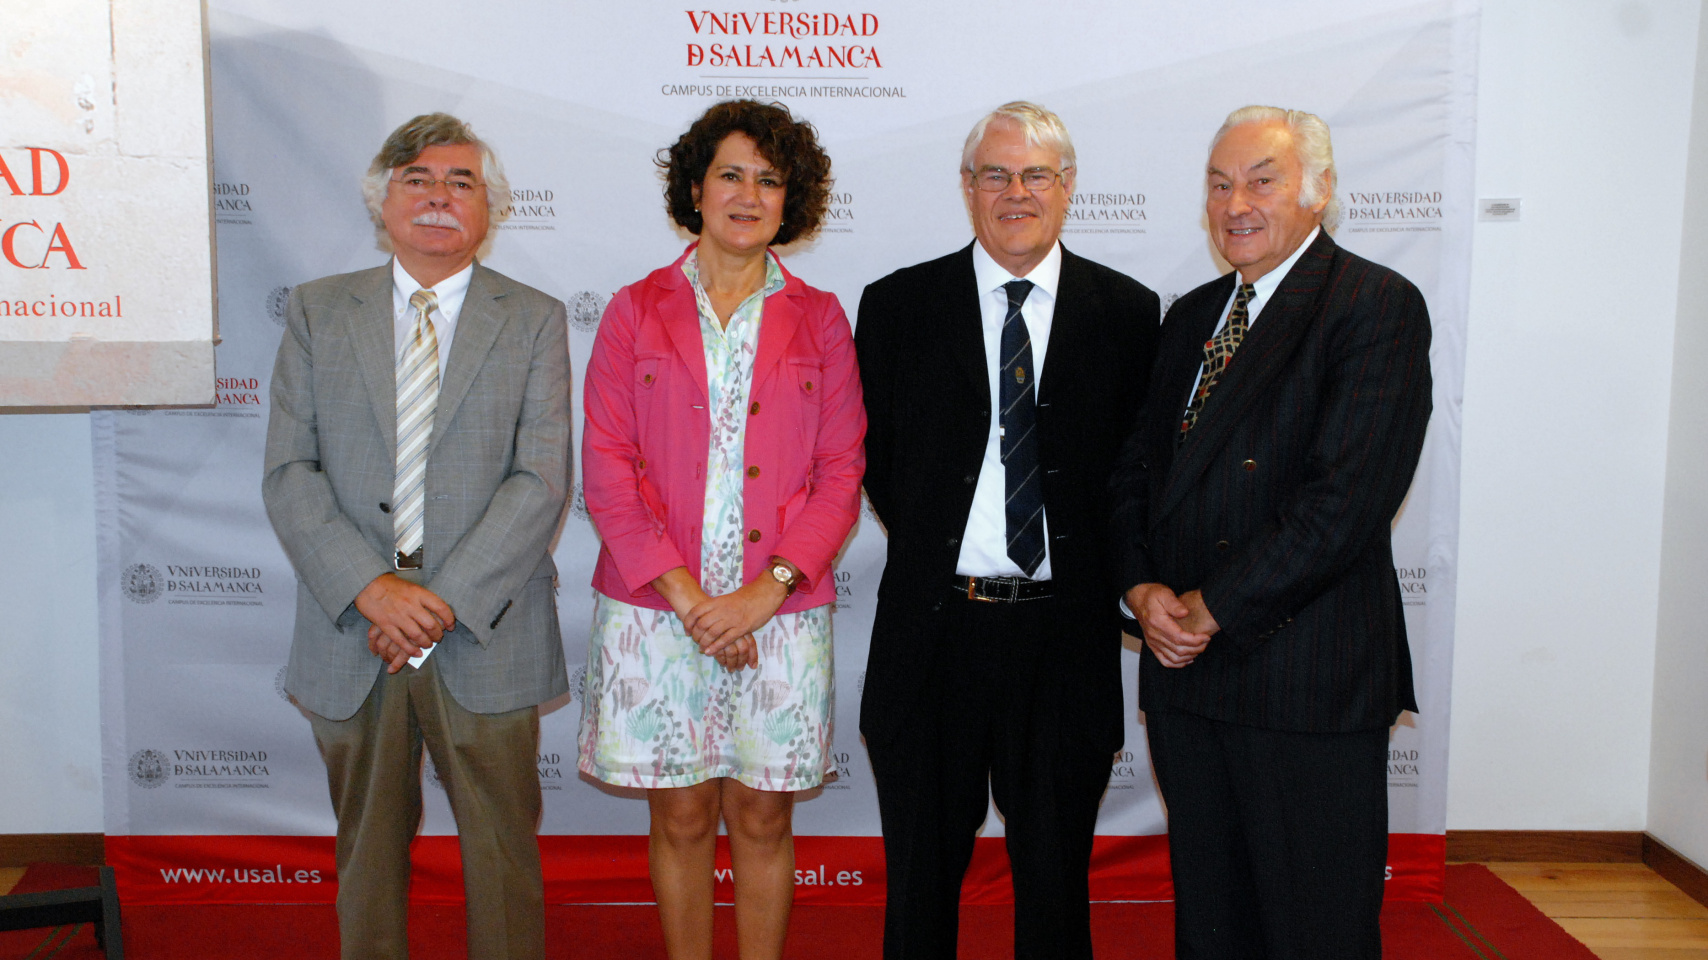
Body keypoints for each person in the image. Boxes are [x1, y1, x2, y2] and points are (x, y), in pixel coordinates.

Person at [1111, 105, 1433, 959]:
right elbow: (1137, 475)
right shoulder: (1191, 318)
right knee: (1213, 924)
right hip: (1189, 682)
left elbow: (1346, 502)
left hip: (1306, 685)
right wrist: (1141, 589)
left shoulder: (1375, 304)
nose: (1236, 203)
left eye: (1262, 179)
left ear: (1318, 192)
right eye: (1219, 184)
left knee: (1315, 930)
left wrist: (1209, 609)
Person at [856, 101, 1160, 960]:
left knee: (1058, 889)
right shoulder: (897, 305)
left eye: (1035, 175)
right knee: (918, 888)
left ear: (1067, 188)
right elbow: (875, 459)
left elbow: (1141, 474)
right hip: (933, 635)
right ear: (966, 187)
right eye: (995, 174)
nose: (1014, 192)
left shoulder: (1131, 314)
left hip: (1065, 642)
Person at [263, 113, 570, 960]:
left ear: (490, 208)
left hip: (484, 626)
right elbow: (290, 471)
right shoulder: (320, 311)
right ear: (382, 201)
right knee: (365, 849)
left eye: (461, 182)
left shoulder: (536, 318)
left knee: (503, 855)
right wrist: (375, 587)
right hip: (353, 628)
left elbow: (541, 478)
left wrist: (434, 602)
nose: (439, 197)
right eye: (417, 180)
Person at [578, 99, 864, 960]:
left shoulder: (821, 318)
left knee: (763, 812)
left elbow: (840, 474)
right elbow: (607, 468)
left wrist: (760, 595)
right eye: (731, 174)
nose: (748, 194)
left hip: (777, 608)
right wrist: (697, 601)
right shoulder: (634, 310)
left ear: (792, 201)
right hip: (657, 608)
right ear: (695, 189)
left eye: (769, 180)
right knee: (683, 809)